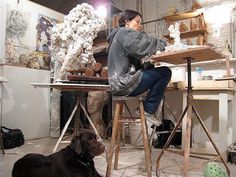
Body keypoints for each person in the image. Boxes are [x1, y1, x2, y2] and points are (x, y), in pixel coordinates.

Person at [107, 9, 171, 126]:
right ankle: (148, 110)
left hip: (119, 84)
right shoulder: (122, 32)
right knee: (165, 72)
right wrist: (164, 45)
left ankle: (148, 109)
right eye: (137, 22)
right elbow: (143, 43)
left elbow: (136, 62)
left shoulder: (120, 37)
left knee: (154, 70)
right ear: (127, 22)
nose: (140, 26)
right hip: (122, 83)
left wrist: (149, 64)